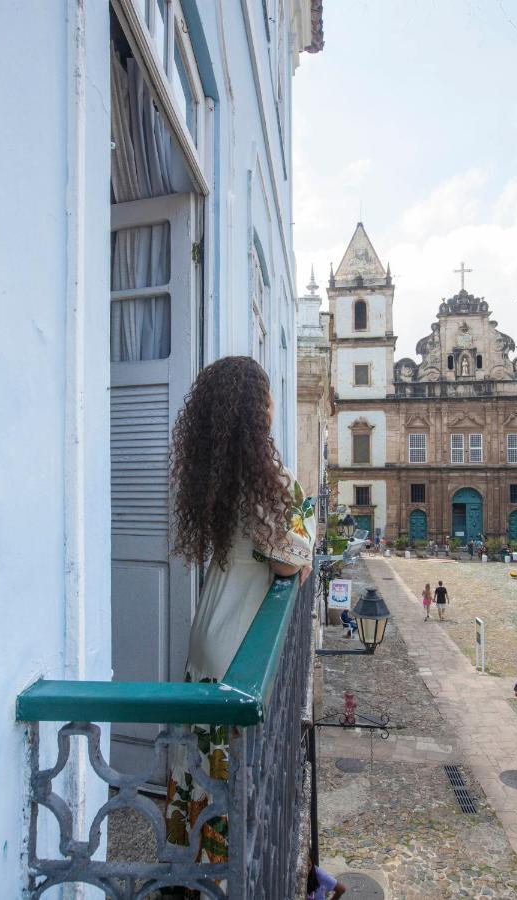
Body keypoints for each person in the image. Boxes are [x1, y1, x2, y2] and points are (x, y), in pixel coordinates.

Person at [165, 357, 315, 873]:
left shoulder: (219, 474)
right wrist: (308, 543)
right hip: (235, 647)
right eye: (270, 396)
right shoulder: (269, 479)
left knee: (193, 773)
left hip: (205, 636)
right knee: (226, 779)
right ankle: (219, 880)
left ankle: (186, 876)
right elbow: (284, 560)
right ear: (259, 409)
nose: (275, 405)